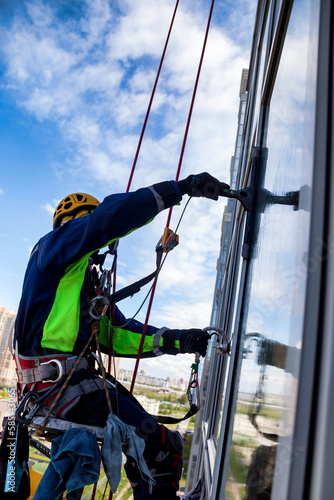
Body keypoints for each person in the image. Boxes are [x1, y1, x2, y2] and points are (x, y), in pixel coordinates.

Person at [14, 172, 229, 499]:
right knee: (162, 449)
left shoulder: (76, 283)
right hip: (65, 392)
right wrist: (179, 189)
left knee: (148, 443)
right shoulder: (56, 246)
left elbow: (115, 336)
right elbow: (106, 221)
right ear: (73, 223)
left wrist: (177, 340)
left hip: (66, 391)